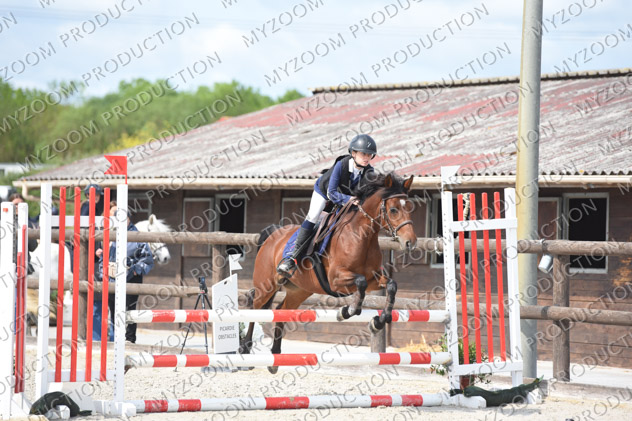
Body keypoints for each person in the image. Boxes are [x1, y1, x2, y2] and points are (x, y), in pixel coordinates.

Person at [276, 134, 377, 277]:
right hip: (325, 193)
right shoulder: (341, 165)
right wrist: (348, 199)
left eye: (369, 155)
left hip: (346, 198)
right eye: (363, 154)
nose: (366, 157)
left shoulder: (369, 171)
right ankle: (291, 257)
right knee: (313, 217)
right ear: (353, 153)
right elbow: (331, 193)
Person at [96, 202, 154, 343]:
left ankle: (130, 340)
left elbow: (147, 260)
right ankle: (116, 339)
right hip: (112, 280)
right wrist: (103, 271)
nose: (121, 221)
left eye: (124, 218)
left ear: (128, 218)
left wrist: (135, 270)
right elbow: (104, 258)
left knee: (129, 311)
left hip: (131, 279)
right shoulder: (111, 234)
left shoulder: (137, 236)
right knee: (114, 311)